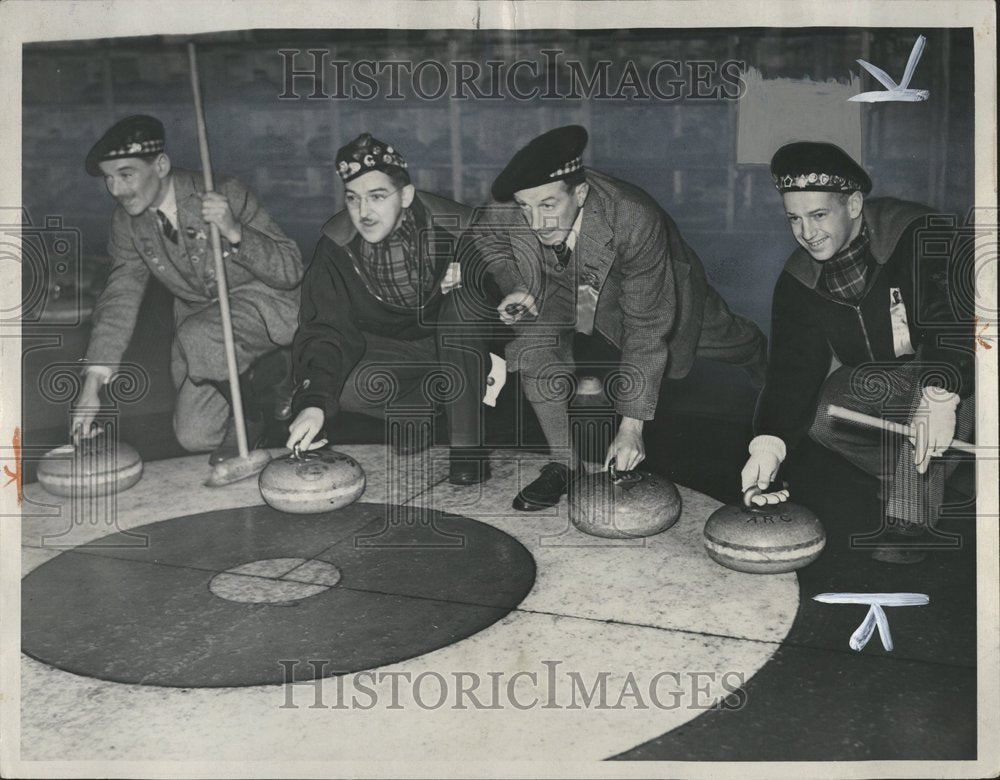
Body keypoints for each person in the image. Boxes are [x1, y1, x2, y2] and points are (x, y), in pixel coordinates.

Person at [459, 125, 767, 510]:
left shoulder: (633, 218)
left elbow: (646, 328)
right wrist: (518, 286)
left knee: (721, 337)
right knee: (532, 345)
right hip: (560, 283)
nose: (536, 222)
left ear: (581, 193)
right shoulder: (509, 206)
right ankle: (563, 463)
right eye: (526, 208)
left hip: (644, 281)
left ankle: (762, 358)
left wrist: (631, 427)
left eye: (549, 205)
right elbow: (486, 237)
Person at [741, 141, 975, 564]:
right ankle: (932, 475)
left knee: (962, 385)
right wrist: (768, 443)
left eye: (817, 215)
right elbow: (793, 369)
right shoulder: (797, 279)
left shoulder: (920, 231)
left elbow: (955, 322)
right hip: (896, 380)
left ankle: (910, 517)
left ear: (852, 204)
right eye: (794, 218)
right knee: (826, 411)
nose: (806, 233)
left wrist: (940, 391)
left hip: (969, 367)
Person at [72, 115, 303, 464]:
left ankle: (252, 416)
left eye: (126, 174)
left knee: (199, 335)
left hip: (262, 307)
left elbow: (291, 271)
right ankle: (266, 377)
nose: (117, 190)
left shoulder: (224, 192)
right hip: (207, 338)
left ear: (160, 165)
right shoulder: (127, 224)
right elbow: (120, 297)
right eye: (108, 179)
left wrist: (235, 230)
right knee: (195, 436)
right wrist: (92, 387)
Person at [285, 133, 488, 485]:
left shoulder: (456, 227)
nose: (364, 212)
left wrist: (475, 277)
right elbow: (324, 329)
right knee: (344, 389)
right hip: (396, 348)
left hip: (462, 343)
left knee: (463, 306)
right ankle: (421, 402)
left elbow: (513, 279)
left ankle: (467, 447)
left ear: (406, 195)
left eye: (377, 197)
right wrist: (314, 402)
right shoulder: (336, 247)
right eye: (353, 199)